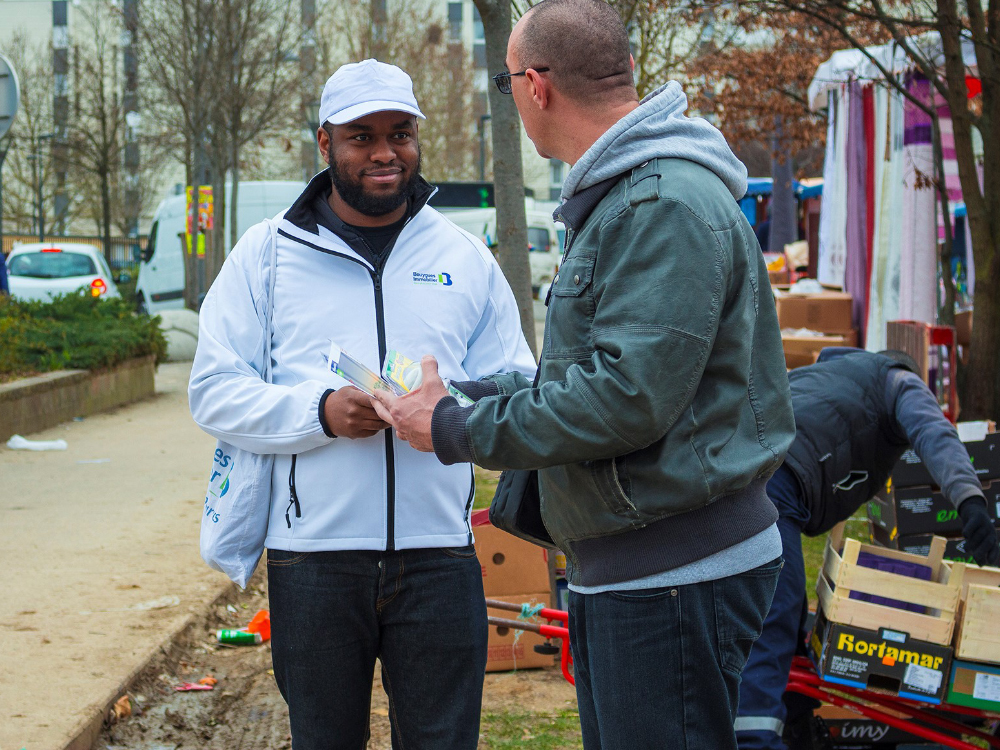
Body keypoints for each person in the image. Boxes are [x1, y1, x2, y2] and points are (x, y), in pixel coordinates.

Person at [372, 2, 796, 747]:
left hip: (674, 571)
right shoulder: (624, 199)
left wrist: (454, 428)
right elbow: (601, 374)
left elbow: (625, 399)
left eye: (506, 83)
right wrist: (466, 396)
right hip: (638, 567)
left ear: (536, 86)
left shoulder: (659, 203)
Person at [188, 59, 536, 750]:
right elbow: (213, 391)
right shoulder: (266, 255)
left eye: (400, 133)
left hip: (440, 555)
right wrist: (319, 414)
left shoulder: (463, 256)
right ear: (325, 144)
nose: (384, 153)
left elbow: (521, 381)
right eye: (361, 136)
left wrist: (445, 411)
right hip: (313, 561)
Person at [734, 347, 1000, 750]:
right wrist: (971, 502)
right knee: (777, 609)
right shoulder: (898, 382)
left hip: (737, 473)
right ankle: (755, 739)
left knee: (787, 614)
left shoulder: (832, 373)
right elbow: (936, 433)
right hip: (772, 487)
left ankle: (797, 721)